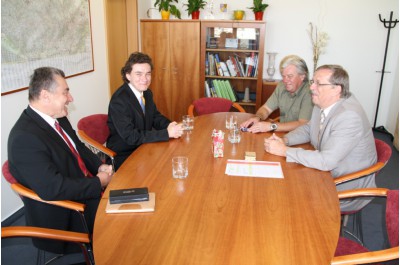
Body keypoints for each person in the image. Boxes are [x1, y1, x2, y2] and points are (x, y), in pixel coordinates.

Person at [7, 67, 113, 254]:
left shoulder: (57, 117)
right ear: (45, 96)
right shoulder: (24, 138)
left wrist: (100, 165)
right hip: (69, 212)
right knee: (127, 223)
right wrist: (97, 183)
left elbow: (77, 147)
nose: (70, 98)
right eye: (65, 92)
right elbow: (53, 188)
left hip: (83, 188)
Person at [264, 65, 377, 212]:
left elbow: (326, 161)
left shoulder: (349, 116)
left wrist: (285, 151)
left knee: (287, 196)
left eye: (319, 83)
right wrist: (285, 140)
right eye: (312, 82)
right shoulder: (322, 102)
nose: (311, 87)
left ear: (337, 89)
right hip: (326, 173)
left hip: (345, 186)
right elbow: (308, 129)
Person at [107, 52, 184, 170]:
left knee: (174, 161)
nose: (144, 79)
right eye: (139, 74)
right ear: (128, 75)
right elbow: (131, 136)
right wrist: (166, 133)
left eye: (148, 74)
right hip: (126, 154)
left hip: (144, 146)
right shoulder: (119, 101)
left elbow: (155, 117)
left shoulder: (147, 93)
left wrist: (170, 125)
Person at [240, 55, 313, 133]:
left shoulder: (309, 92)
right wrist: (258, 117)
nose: (285, 80)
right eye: (283, 76)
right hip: (282, 134)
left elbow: (302, 124)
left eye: (290, 76)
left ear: (302, 76)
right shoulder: (281, 86)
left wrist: (271, 126)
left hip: (302, 138)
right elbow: (266, 109)